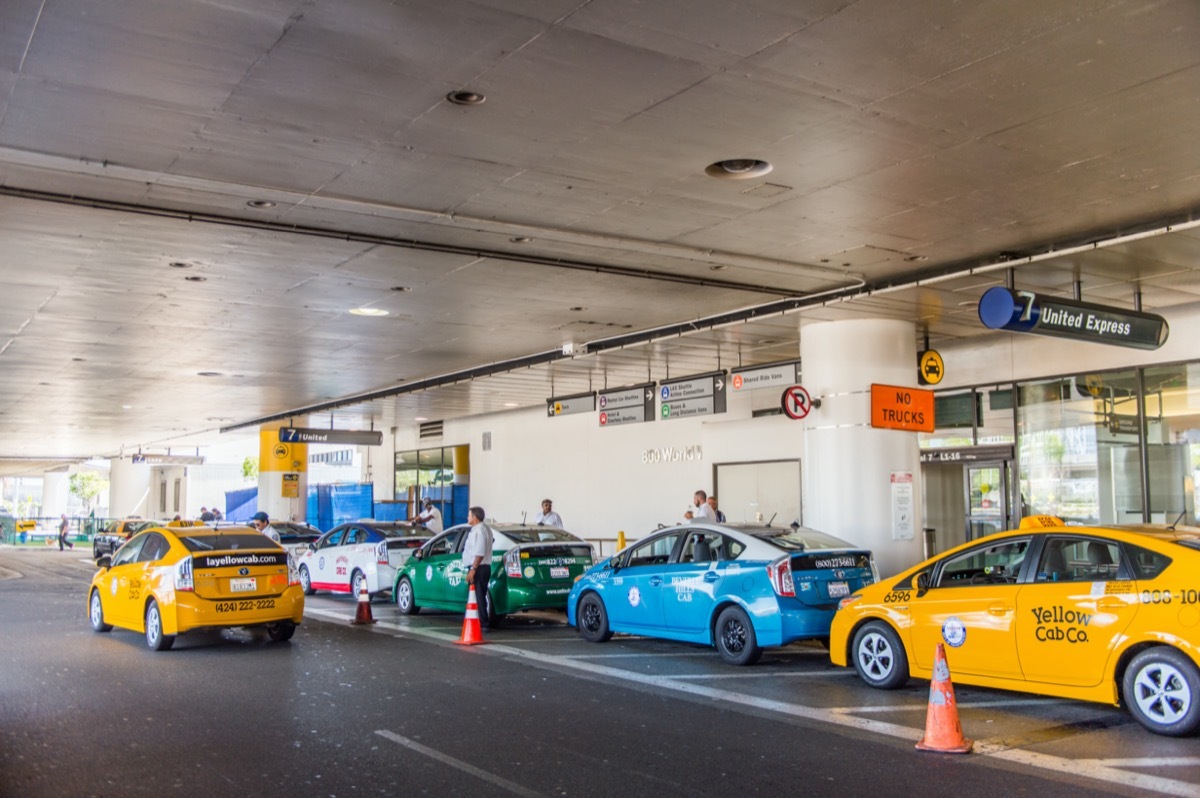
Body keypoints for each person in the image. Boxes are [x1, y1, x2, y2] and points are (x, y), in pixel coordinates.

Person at [462, 506, 494, 631]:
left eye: (469, 515)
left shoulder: (480, 531)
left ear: (474, 518)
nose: (467, 518)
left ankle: (483, 623)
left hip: (479, 568)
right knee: (477, 595)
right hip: (481, 567)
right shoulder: (483, 529)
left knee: (479, 596)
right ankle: (479, 620)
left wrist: (473, 569)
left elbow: (479, 553)